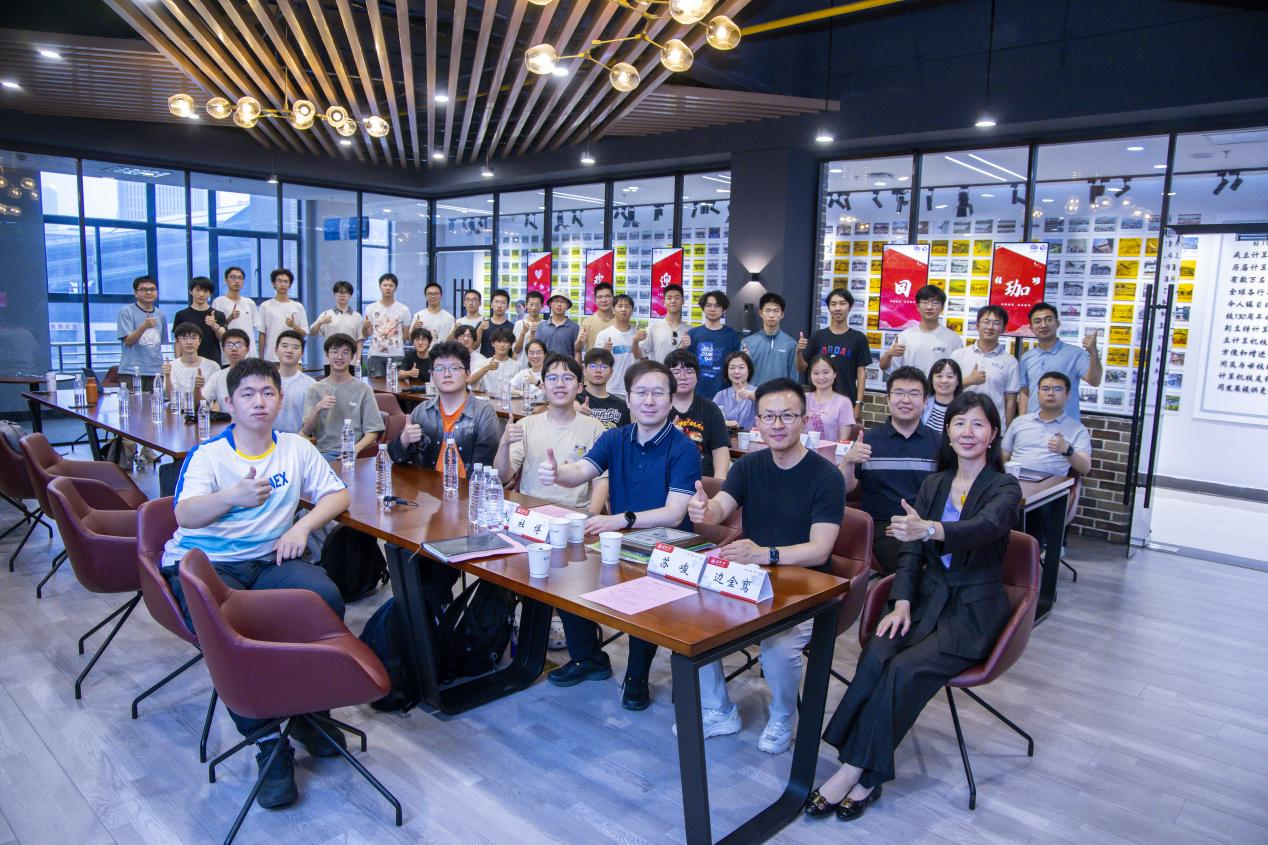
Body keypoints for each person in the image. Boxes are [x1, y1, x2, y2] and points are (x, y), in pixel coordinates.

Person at [811, 392, 1021, 822]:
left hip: (972, 611)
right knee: (877, 654)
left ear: (993, 433)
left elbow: (985, 527)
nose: (967, 432)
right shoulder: (934, 484)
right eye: (959, 423)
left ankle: (857, 772)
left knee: (905, 669)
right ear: (948, 432)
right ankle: (861, 766)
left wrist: (930, 529)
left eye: (978, 424)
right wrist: (902, 601)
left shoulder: (1004, 487)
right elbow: (909, 553)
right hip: (925, 599)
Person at [161, 357, 352, 811]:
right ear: (229, 403)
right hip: (208, 564)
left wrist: (302, 527)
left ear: (280, 400)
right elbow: (184, 514)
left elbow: (338, 493)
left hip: (269, 559)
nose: (259, 402)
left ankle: (308, 711)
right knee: (229, 633)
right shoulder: (209, 454)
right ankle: (268, 743)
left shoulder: (295, 447)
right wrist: (232, 496)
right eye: (247, 394)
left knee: (325, 600)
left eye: (267, 393)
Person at [687, 378, 845, 753]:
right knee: (691, 618)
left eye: (787, 416)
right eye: (768, 416)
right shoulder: (749, 466)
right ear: (756, 422)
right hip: (752, 577)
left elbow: (820, 550)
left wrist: (765, 554)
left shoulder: (827, 476)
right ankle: (718, 710)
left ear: (804, 420)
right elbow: (720, 509)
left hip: (806, 586)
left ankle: (782, 716)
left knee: (779, 646)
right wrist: (704, 509)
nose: (777, 424)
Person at [540, 360, 701, 710]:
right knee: (564, 573)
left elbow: (674, 513)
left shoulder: (684, 448)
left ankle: (636, 676)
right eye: (640, 392)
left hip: (669, 548)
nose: (649, 400)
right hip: (622, 539)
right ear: (627, 399)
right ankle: (588, 658)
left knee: (644, 593)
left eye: (658, 393)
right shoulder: (615, 437)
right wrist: (557, 473)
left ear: (671, 399)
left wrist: (620, 520)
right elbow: (581, 470)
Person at [839, 367, 940, 574]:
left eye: (914, 394)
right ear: (888, 399)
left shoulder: (939, 443)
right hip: (885, 527)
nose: (906, 400)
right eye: (899, 393)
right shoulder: (867, 440)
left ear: (925, 401)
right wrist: (848, 461)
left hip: (927, 526)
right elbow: (845, 489)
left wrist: (927, 527)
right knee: (912, 564)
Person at [494, 353, 608, 512]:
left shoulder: (595, 428)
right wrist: (504, 443)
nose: (560, 384)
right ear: (543, 387)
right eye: (552, 378)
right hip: (530, 510)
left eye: (567, 378)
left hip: (575, 512)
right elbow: (502, 476)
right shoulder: (525, 425)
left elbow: (601, 482)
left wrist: (590, 519)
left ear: (580, 387)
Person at [387, 340, 501, 475]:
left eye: (454, 368)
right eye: (440, 369)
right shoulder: (422, 411)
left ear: (468, 374)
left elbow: (483, 467)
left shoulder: (483, 414)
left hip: (467, 488)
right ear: (432, 375)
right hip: (425, 486)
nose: (447, 374)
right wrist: (404, 440)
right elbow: (395, 457)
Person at [301, 334, 384, 460]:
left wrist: (354, 449)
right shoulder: (315, 389)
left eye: (345, 352)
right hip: (323, 453)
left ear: (352, 357)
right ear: (327, 355)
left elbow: (373, 431)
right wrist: (318, 408)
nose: (339, 357)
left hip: (355, 453)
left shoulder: (364, 389)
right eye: (335, 352)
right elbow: (306, 431)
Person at [1018, 302, 1103, 421]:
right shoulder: (1026, 357)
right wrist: (1022, 421)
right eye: (1037, 321)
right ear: (1031, 328)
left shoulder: (1075, 353)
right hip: (1034, 425)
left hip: (1065, 425)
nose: (1043, 325)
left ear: (1057, 324)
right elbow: (1025, 391)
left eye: (1048, 320)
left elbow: (1095, 381)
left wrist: (1093, 353)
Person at [799, 288, 873, 419]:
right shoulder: (817, 337)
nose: (837, 308)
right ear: (829, 308)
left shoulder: (859, 338)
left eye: (842, 303)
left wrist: (859, 403)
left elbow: (861, 373)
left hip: (847, 400)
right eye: (833, 304)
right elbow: (802, 368)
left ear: (850, 306)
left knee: (844, 433)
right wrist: (798, 352)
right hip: (818, 402)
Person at [1002, 371, 1092, 478]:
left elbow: (1085, 468)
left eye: (1057, 389)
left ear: (1067, 395)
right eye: (1045, 389)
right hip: (1013, 481)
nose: (1050, 393)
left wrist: (1067, 450)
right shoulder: (1019, 422)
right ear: (1038, 394)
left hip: (1050, 485)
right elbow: (1004, 454)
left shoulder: (1077, 429)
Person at [951, 304, 1020, 429]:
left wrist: (1007, 431)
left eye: (996, 323)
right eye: (986, 322)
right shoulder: (958, 355)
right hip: (960, 422)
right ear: (977, 325)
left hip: (993, 426)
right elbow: (947, 389)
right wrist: (969, 380)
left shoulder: (1010, 362)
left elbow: (1011, 400)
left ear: (1004, 329)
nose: (990, 327)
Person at [666, 349, 731, 480]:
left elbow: (720, 450)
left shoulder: (711, 408)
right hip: (666, 478)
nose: (682, 377)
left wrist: (717, 483)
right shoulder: (658, 408)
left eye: (689, 371)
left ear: (697, 377)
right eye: (676, 372)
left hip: (704, 478)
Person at [878, 284, 963, 376]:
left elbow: (958, 371)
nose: (929, 307)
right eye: (925, 302)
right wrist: (888, 354)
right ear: (918, 307)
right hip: (910, 384)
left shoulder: (953, 338)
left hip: (940, 385)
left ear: (942, 307)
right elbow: (888, 368)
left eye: (935, 303)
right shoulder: (904, 337)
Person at [688, 290, 742, 400]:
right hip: (697, 392)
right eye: (708, 305)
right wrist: (683, 347)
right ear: (703, 308)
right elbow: (686, 364)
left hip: (724, 393)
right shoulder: (693, 334)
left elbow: (736, 364)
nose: (712, 309)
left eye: (717, 306)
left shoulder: (731, 335)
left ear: (724, 309)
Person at [118, 275, 167, 391]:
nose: (149, 292)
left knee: (156, 402)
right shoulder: (126, 311)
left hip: (156, 371)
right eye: (144, 289)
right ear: (136, 293)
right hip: (131, 371)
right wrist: (144, 326)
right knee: (132, 402)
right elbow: (128, 341)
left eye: (152, 289)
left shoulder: (160, 314)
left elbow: (160, 343)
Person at [741, 292, 799, 385]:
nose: (771, 315)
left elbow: (793, 377)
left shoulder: (791, 343)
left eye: (776, 311)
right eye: (767, 310)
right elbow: (740, 374)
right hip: (754, 393)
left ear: (782, 314)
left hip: (780, 392)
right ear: (760, 313)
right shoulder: (747, 342)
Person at [594, 294, 646, 398]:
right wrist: (605, 352)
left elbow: (641, 359)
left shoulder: (638, 334)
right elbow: (596, 363)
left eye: (627, 306)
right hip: (610, 389)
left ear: (632, 310)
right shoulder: (604, 334)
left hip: (634, 389)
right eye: (620, 306)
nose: (623, 309)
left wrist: (635, 341)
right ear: (613, 310)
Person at [362, 272, 411, 377]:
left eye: (391, 285)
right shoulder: (370, 308)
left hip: (397, 354)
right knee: (377, 384)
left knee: (397, 384)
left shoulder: (404, 309)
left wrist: (395, 344)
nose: (388, 288)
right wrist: (365, 327)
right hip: (375, 355)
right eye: (385, 285)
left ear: (395, 288)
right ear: (380, 287)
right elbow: (367, 334)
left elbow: (406, 335)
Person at [256, 269, 308, 364]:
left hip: (294, 358)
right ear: (273, 283)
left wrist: (293, 325)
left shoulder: (298, 307)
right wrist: (260, 358)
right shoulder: (265, 306)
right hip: (271, 358)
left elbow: (304, 333)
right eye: (279, 281)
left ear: (290, 284)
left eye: (286, 282)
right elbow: (262, 334)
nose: (283, 284)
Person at [163, 322, 220, 407]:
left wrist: (197, 388)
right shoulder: (171, 366)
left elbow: (219, 398)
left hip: (204, 412)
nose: (189, 342)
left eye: (193, 338)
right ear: (177, 341)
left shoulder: (213, 366)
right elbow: (170, 397)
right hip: (178, 411)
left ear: (199, 341)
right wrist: (167, 376)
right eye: (184, 338)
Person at [174, 276, 227, 364]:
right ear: (191, 291)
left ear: (210, 293)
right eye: (198, 290)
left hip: (212, 361)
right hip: (188, 362)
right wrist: (177, 363)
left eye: (205, 291)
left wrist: (214, 326)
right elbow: (178, 342)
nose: (201, 294)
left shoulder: (218, 314)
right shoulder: (181, 315)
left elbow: (224, 338)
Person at [806, 354, 857, 442]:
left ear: (835, 374)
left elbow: (843, 440)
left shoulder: (844, 403)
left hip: (831, 450)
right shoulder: (803, 398)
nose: (821, 377)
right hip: (803, 450)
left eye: (826, 372)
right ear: (810, 375)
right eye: (816, 373)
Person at [639, 283, 692, 364]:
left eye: (677, 298)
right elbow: (641, 354)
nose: (673, 301)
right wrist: (635, 342)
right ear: (664, 302)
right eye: (669, 298)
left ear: (683, 302)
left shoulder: (690, 330)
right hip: (658, 371)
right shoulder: (653, 328)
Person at [273, 330, 314, 434]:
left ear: (302, 354)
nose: (289, 350)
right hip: (268, 439)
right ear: (276, 350)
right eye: (285, 346)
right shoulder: (265, 382)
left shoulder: (311, 385)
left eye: (295, 347)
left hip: (299, 439)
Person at [578, 348, 630, 430]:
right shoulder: (574, 400)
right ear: (584, 370)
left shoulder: (622, 406)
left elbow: (625, 435)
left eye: (604, 367)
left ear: (611, 372)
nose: (598, 371)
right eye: (593, 366)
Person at [203, 328, 253, 412]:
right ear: (223, 350)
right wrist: (197, 388)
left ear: (247, 349)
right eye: (229, 345)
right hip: (225, 420)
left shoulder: (256, 375)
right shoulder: (217, 376)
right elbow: (202, 402)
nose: (234, 349)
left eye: (239, 345)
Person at [469, 326, 524, 395]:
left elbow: (521, 388)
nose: (502, 345)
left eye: (506, 342)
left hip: (509, 400)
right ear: (493, 343)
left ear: (510, 345)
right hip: (487, 400)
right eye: (499, 341)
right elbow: (470, 381)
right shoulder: (483, 362)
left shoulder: (517, 366)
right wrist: (487, 368)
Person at [712, 350, 756, 430]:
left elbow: (769, 404)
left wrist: (751, 395)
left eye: (741, 367)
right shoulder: (720, 395)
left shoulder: (757, 391)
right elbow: (709, 418)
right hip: (726, 437)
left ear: (749, 370)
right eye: (732, 368)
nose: (736, 371)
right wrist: (725, 423)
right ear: (727, 371)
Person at [309, 280, 363, 345]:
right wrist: (319, 322)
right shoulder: (326, 314)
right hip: (331, 350)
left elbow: (360, 340)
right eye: (339, 292)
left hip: (350, 351)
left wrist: (358, 352)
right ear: (334, 294)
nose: (342, 295)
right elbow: (312, 333)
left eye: (345, 292)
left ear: (350, 295)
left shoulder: (357, 316)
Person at [212, 265, 259, 340]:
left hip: (248, 345)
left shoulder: (250, 303)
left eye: (240, 278)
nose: (237, 281)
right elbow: (216, 327)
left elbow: (255, 327)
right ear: (226, 280)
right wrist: (230, 318)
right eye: (233, 277)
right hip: (228, 344)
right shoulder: (218, 302)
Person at [922, 358, 963, 434]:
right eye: (939, 376)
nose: (944, 381)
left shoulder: (963, 409)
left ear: (958, 381)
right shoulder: (922, 404)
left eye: (950, 377)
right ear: (931, 379)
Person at [577, 281, 615, 354]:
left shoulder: (620, 321)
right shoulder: (587, 322)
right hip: (593, 361)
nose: (604, 300)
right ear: (595, 300)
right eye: (600, 297)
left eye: (608, 296)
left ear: (613, 298)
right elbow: (578, 349)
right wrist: (579, 341)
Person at [537, 292, 580, 358]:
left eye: (563, 301)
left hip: (566, 364)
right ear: (550, 304)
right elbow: (537, 350)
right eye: (556, 301)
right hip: (545, 364)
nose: (559, 304)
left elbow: (577, 352)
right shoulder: (541, 326)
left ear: (568, 305)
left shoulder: (574, 327)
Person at [509, 339, 547, 404]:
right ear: (527, 355)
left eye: (538, 353)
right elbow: (508, 388)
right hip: (526, 408)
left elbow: (553, 394)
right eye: (531, 353)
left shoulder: (550, 373)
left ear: (545, 355)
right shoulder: (524, 373)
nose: (535, 356)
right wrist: (521, 393)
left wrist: (537, 383)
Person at [479, 289, 514, 358]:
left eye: (503, 302)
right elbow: (474, 346)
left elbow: (514, 351)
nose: (499, 305)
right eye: (496, 302)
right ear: (491, 304)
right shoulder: (483, 325)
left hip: (505, 363)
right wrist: (480, 329)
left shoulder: (513, 327)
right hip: (485, 363)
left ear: (507, 306)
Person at [512, 290, 545, 363]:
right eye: (531, 304)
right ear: (526, 305)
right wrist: (523, 333)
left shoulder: (545, 324)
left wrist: (533, 334)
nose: (534, 308)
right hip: (521, 364)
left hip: (540, 364)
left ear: (542, 306)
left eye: (537, 305)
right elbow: (516, 350)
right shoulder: (519, 324)